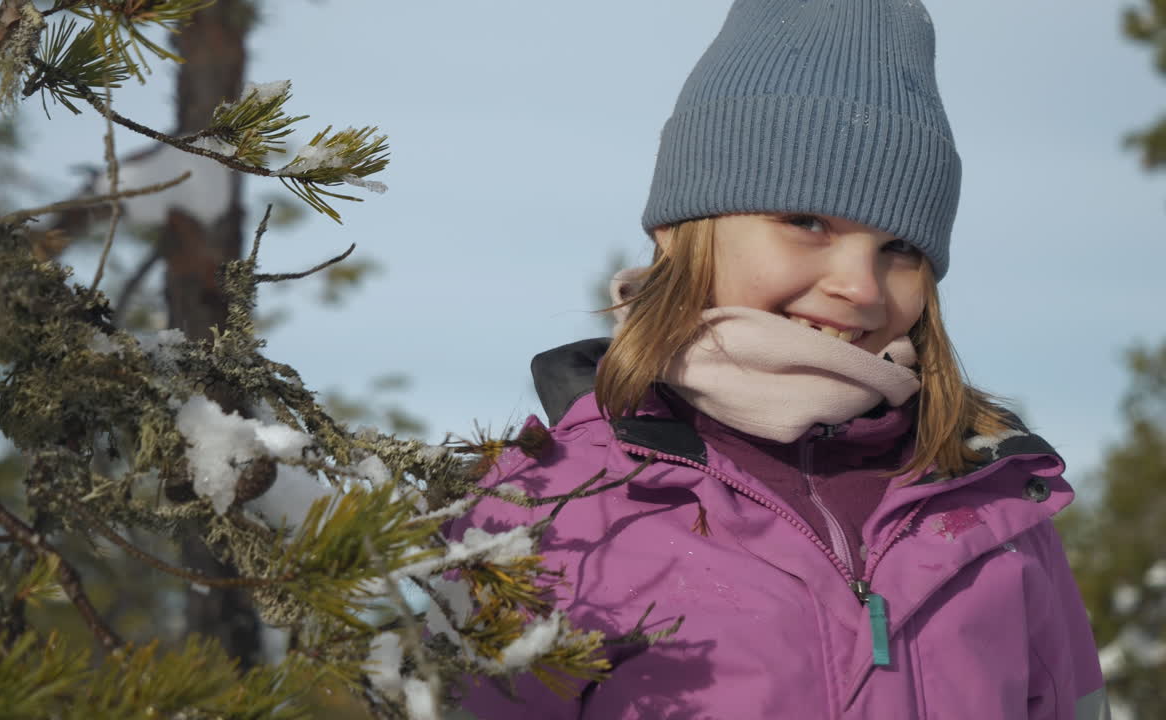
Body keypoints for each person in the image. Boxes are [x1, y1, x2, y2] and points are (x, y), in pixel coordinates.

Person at [450, 0, 1108, 718]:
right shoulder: (549, 506)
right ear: (680, 230)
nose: (859, 287)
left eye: (901, 249)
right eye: (807, 221)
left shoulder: (991, 506)